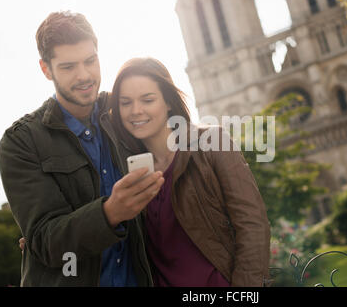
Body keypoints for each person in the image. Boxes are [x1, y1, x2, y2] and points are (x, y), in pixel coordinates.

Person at [0, 12, 163, 286]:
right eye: (68, 67)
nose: (84, 75)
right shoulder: (20, 141)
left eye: (90, 61)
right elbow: (45, 241)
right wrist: (111, 212)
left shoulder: (125, 111)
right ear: (46, 69)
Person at [108, 57, 271, 286]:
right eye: (125, 103)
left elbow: (253, 224)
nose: (136, 111)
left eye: (147, 99)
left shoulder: (212, 141)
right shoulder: (126, 172)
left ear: (169, 102)